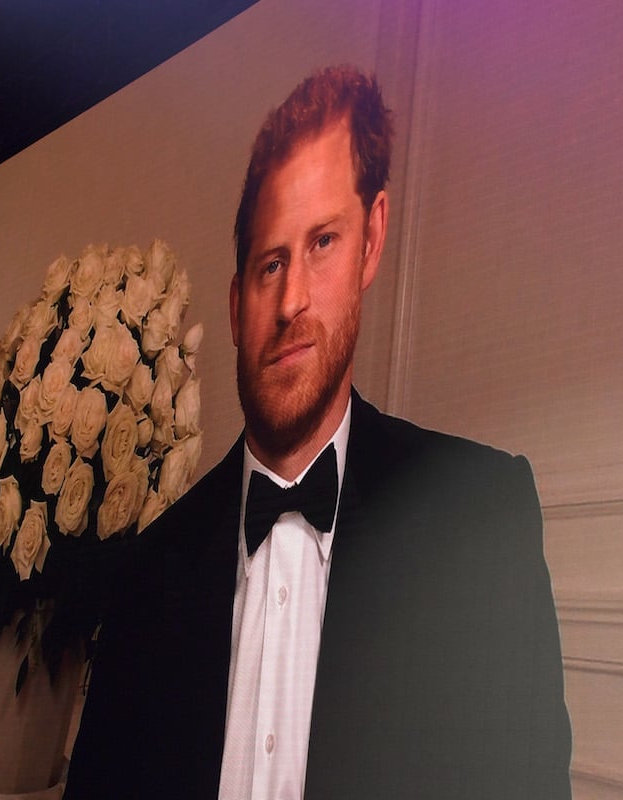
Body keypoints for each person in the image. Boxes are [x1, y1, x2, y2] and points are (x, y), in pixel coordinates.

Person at [65, 65, 572, 799]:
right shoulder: (148, 572)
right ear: (236, 306)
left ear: (372, 241)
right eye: (271, 263)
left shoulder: (481, 516)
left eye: (323, 243)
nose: (292, 299)